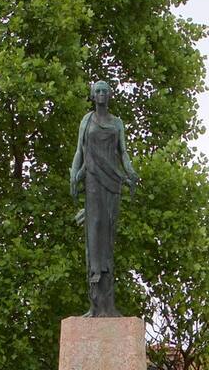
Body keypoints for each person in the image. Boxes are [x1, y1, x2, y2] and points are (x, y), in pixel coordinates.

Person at [69, 81, 139, 318]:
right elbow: (79, 150)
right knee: (94, 228)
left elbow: (124, 152)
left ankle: (107, 303)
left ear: (109, 95)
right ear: (92, 95)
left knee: (108, 234)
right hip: (91, 179)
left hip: (112, 180)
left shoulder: (117, 123)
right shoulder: (86, 121)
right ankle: (95, 302)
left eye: (105, 91)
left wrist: (130, 172)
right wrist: (73, 174)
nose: (101, 94)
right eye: (97, 91)